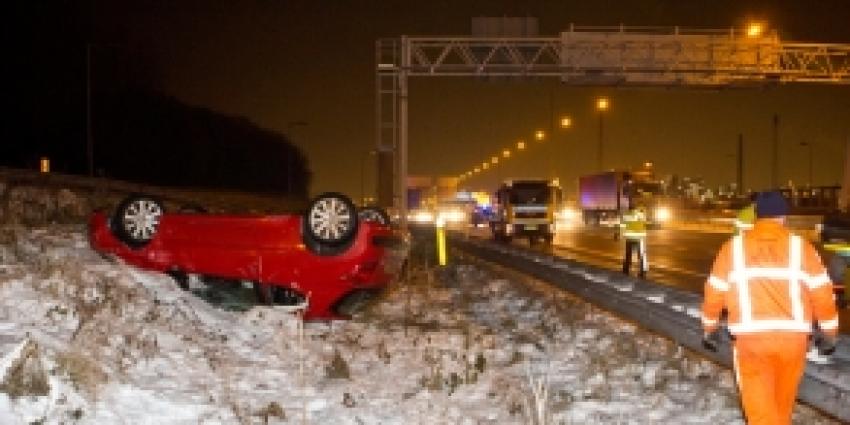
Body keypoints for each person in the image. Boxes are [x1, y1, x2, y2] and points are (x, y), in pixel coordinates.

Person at [701, 191, 839, 425]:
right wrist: (829, 333)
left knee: (761, 415)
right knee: (781, 409)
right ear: (784, 217)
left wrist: (710, 326)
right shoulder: (801, 248)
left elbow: (715, 291)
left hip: (751, 342)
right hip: (793, 341)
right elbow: (823, 294)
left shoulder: (733, 248)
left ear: (757, 216)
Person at [620, 205, 648, 278]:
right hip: (639, 238)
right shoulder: (641, 214)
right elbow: (644, 224)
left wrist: (621, 236)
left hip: (629, 238)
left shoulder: (625, 216)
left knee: (628, 255)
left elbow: (622, 227)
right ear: (636, 208)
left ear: (629, 209)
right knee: (641, 255)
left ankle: (625, 270)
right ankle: (642, 271)